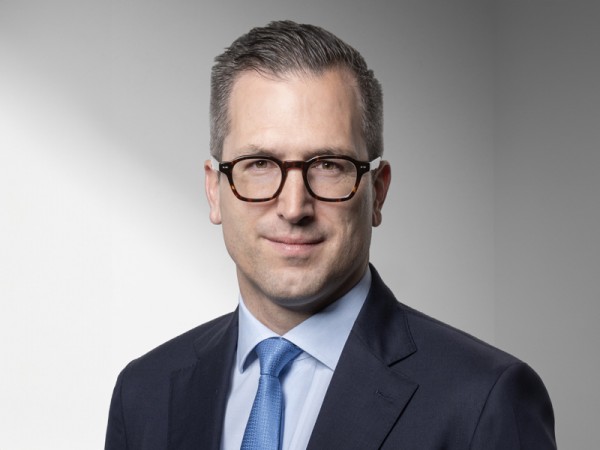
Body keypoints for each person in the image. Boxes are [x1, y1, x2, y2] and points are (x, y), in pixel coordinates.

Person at [105, 20, 556, 449]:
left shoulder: (484, 401)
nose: (293, 207)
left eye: (328, 165)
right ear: (213, 190)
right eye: (259, 164)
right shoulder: (144, 393)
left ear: (377, 193)